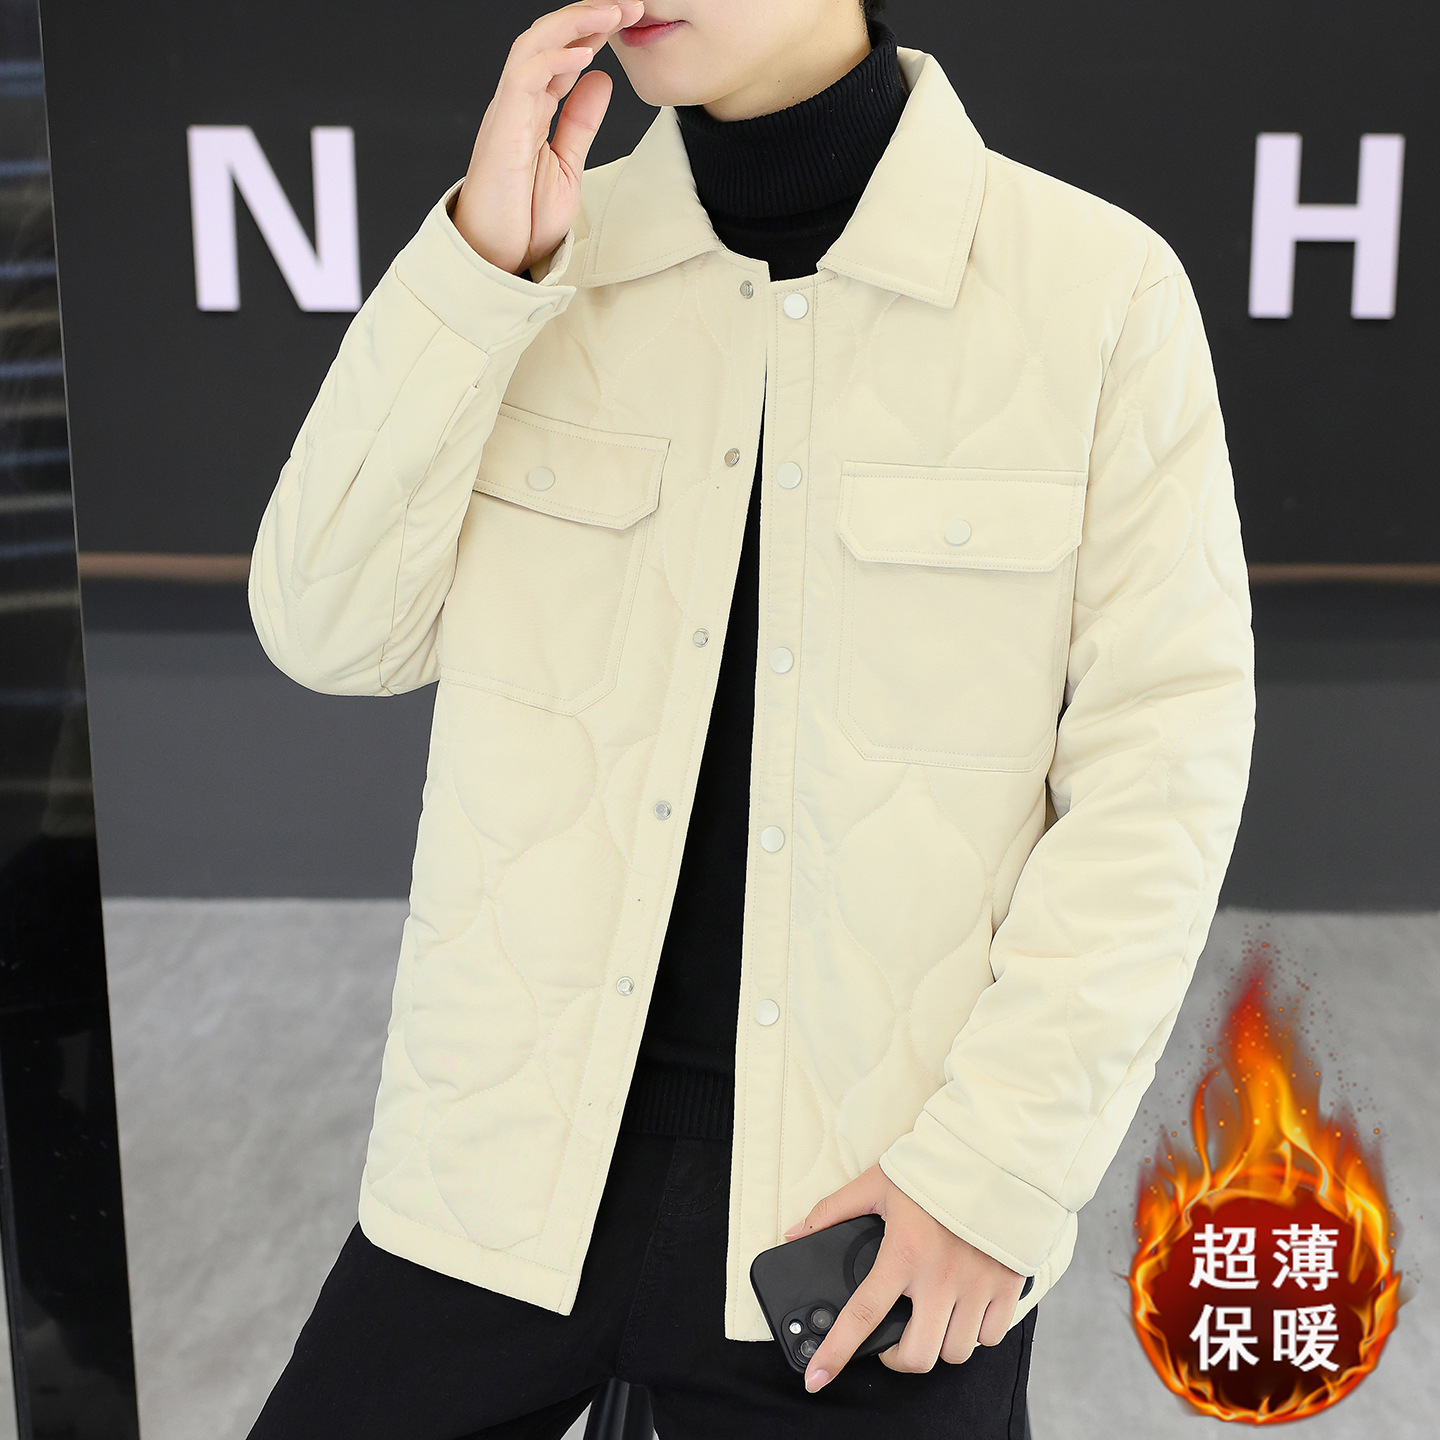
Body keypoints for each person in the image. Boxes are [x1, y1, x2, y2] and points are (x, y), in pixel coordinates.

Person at [244, 1, 1255, 1435]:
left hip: (865, 1229)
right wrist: (476, 273)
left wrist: (993, 1176)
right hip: (496, 1184)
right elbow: (326, 628)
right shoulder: (541, 259)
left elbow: (1163, 780)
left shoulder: (1096, 292)